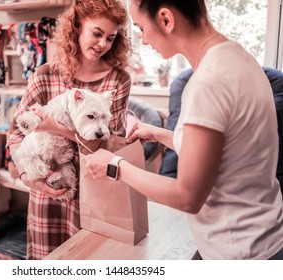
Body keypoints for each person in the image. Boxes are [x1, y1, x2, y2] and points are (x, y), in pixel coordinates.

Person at [85, 0, 283, 260]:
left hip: (240, 251)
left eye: (142, 28)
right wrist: (158, 134)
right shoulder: (239, 57)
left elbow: (187, 197)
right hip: (265, 235)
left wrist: (115, 166)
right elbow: (226, 151)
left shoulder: (207, 83)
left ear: (166, 19)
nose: (143, 40)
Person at [7, 0, 132, 260]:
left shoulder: (117, 81)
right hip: (47, 195)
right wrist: (28, 177)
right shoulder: (45, 75)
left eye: (110, 38)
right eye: (97, 33)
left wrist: (56, 128)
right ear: (76, 27)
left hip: (94, 194)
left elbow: (109, 146)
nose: (103, 44)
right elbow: (16, 134)